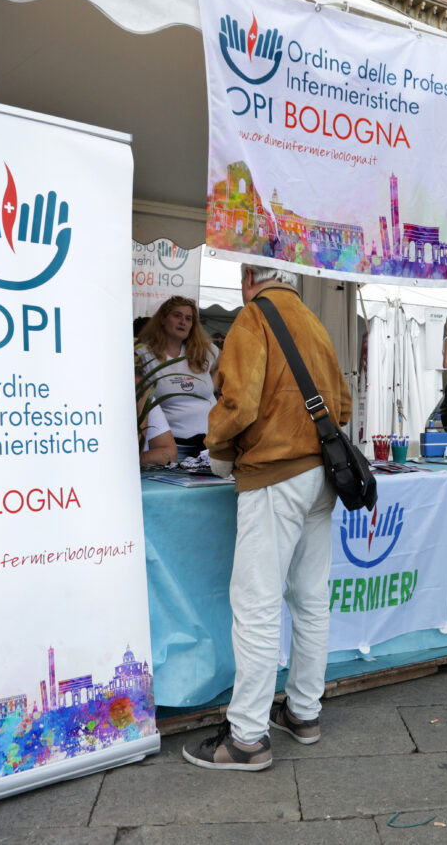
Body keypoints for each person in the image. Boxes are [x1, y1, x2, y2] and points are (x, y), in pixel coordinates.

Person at [183, 264, 352, 772]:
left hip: (273, 474)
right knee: (310, 597)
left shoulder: (253, 319)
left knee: (257, 605)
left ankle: (248, 738)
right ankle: (303, 712)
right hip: (321, 473)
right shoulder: (314, 321)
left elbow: (237, 402)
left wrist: (218, 447)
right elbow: (341, 406)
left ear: (248, 277)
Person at [135, 296, 219, 458]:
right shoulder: (143, 354)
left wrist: (212, 387)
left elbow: (226, 362)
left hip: (212, 447)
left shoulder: (202, 351)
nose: (183, 322)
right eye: (177, 315)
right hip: (173, 449)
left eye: (189, 318)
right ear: (162, 319)